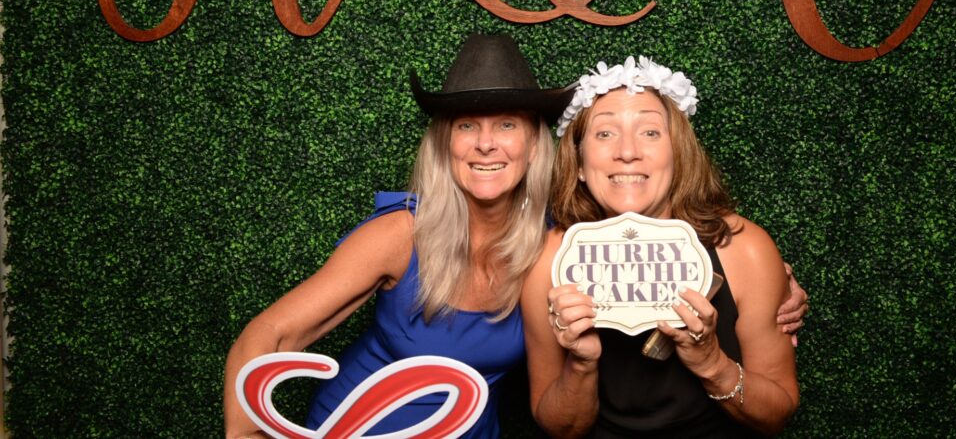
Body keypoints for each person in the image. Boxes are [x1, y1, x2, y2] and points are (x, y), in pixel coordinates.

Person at [223, 33, 571, 438]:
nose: (486, 144)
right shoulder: (402, 233)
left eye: (507, 124)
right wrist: (246, 435)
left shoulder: (551, 252)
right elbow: (269, 334)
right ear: (446, 146)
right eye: (467, 126)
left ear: (534, 146)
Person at [523, 56, 800, 438]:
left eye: (650, 132)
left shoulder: (743, 249)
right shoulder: (551, 260)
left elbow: (776, 414)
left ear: (678, 154)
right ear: (581, 163)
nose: (627, 151)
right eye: (605, 134)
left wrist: (711, 363)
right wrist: (581, 363)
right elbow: (561, 428)